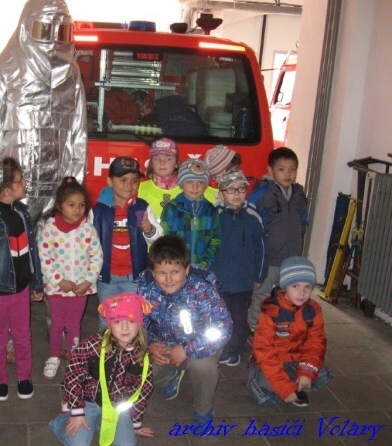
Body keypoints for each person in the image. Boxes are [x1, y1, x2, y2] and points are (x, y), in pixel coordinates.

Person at [0, 0, 87, 226]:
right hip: (11, 188)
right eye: (44, 29)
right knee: (12, 241)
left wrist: (74, 184)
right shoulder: (9, 71)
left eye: (61, 31)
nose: (53, 40)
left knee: (49, 243)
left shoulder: (72, 76)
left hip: (56, 189)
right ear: (26, 27)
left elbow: (78, 135)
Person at [137, 235, 232, 425]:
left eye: (175, 271)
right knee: (137, 364)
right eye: (161, 273)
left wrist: (187, 349)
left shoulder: (202, 289)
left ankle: (203, 408)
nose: (169, 279)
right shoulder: (145, 289)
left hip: (201, 346)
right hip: (164, 345)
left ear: (186, 270)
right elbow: (137, 324)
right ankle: (170, 376)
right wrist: (149, 346)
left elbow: (222, 328)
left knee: (202, 367)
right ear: (153, 272)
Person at [0, 158, 44, 401]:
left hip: (21, 290)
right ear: (5, 190)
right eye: (19, 180)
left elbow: (31, 251)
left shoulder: (22, 212)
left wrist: (36, 282)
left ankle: (24, 377)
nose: (25, 184)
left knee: (23, 336)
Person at [49, 293, 154, 445]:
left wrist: (136, 423)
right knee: (78, 443)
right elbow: (72, 376)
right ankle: (60, 423)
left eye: (131, 321)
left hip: (117, 406)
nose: (125, 327)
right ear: (109, 324)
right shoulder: (91, 345)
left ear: (139, 323)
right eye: (117, 321)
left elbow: (142, 392)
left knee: (127, 444)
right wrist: (77, 412)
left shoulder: (142, 355)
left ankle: (99, 422)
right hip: (88, 402)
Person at [37, 177, 103, 379]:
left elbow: (97, 256)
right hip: (57, 288)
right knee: (57, 324)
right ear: (59, 206)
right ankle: (53, 356)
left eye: (81, 205)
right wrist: (59, 281)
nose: (77, 210)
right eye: (71, 205)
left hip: (80, 289)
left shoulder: (88, 229)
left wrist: (87, 282)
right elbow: (44, 258)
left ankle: (75, 358)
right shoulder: (50, 229)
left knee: (74, 325)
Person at [246, 256, 332, 407]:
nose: (302, 293)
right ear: (284, 287)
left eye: (307, 287)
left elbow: (316, 344)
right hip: (271, 361)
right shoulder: (271, 312)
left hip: (296, 360)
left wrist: (306, 372)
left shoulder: (313, 310)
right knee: (268, 399)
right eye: (295, 286)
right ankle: (258, 377)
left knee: (323, 375)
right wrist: (283, 387)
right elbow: (264, 350)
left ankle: (293, 385)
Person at [88, 156, 162, 329]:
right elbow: (88, 243)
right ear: (110, 181)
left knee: (133, 315)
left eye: (134, 181)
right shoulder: (97, 211)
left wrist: (149, 228)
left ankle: (133, 346)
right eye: (123, 180)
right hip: (106, 277)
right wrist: (89, 272)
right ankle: (106, 345)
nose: (129, 185)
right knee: (107, 315)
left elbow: (157, 238)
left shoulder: (142, 207)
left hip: (134, 276)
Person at [246, 147, 308, 334]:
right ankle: (255, 328)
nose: (288, 174)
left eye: (292, 169)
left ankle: (281, 327)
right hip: (268, 258)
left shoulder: (299, 194)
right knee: (261, 294)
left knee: (287, 295)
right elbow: (250, 223)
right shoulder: (262, 194)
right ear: (270, 170)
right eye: (281, 169)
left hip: (291, 258)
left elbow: (303, 222)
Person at [210, 169, 267, 367]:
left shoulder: (253, 217)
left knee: (239, 318)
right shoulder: (214, 214)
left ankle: (235, 348)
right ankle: (221, 347)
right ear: (221, 192)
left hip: (243, 281)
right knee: (218, 317)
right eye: (230, 189)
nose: (236, 194)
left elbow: (261, 249)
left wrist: (259, 276)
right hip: (219, 280)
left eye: (241, 189)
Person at [160, 158, 220, 268]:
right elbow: (165, 240)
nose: (195, 187)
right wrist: (178, 265)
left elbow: (215, 241)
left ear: (206, 185)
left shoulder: (211, 211)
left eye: (200, 182)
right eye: (189, 182)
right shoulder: (171, 209)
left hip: (202, 269)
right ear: (181, 184)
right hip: (177, 268)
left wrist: (204, 264)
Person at [138, 137, 182, 220]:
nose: (162, 162)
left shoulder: (188, 190)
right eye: (157, 158)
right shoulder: (139, 189)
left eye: (168, 159)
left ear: (176, 163)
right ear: (151, 163)